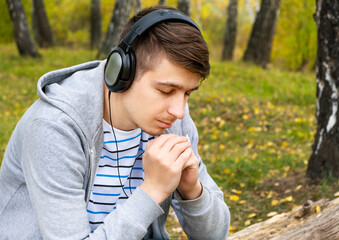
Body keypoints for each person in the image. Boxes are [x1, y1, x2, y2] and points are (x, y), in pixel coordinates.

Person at [0, 5, 230, 240]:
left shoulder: (171, 119)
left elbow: (215, 235)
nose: (179, 111)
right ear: (121, 72)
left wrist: (192, 191)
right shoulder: (54, 128)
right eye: (167, 90)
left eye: (187, 93)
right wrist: (152, 191)